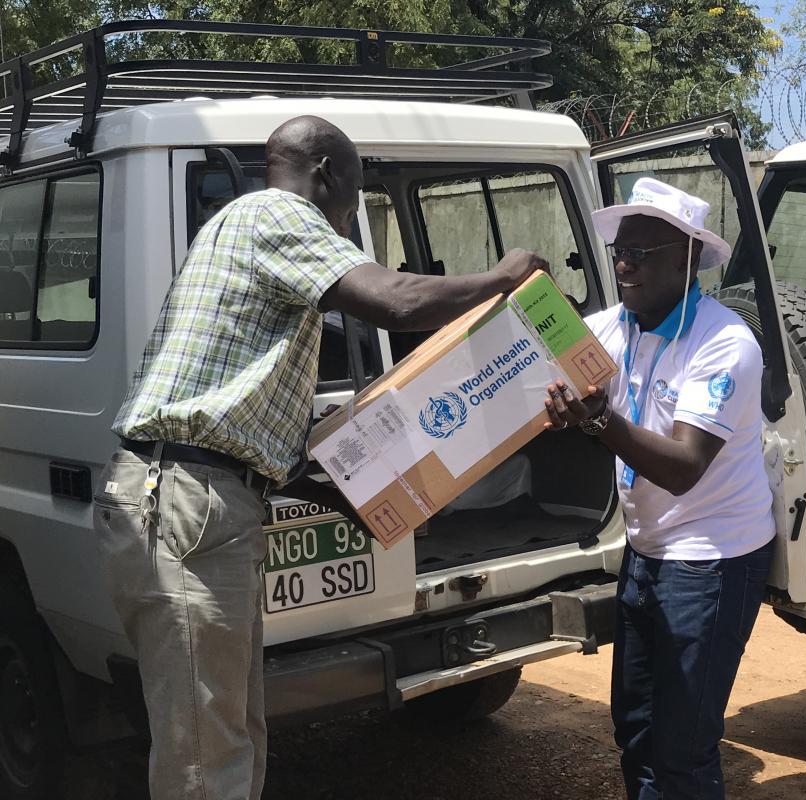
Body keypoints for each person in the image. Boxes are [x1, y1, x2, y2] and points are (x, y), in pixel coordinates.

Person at [93, 115, 546, 800]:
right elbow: (394, 303)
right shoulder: (277, 213)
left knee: (230, 733)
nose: (349, 215)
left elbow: (246, 420)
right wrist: (504, 276)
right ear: (329, 174)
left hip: (200, 498)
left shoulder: (249, 231)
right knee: (203, 757)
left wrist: (364, 492)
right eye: (355, 195)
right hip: (187, 502)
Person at [543, 177, 775, 799]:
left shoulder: (724, 343)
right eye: (619, 250)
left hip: (712, 561)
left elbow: (681, 466)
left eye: (640, 255)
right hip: (646, 553)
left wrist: (597, 420)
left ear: (686, 260)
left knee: (682, 745)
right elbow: (521, 356)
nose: (622, 265)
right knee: (637, 729)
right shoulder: (613, 329)